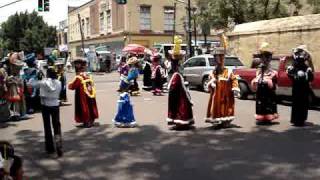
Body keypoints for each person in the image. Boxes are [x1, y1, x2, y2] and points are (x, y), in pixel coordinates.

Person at [205, 34, 240, 127]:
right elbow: (210, 82)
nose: (216, 61)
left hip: (226, 95)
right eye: (215, 58)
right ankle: (216, 119)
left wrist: (235, 88)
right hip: (216, 95)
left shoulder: (228, 71)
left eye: (218, 58)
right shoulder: (213, 72)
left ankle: (226, 120)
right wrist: (211, 83)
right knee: (216, 105)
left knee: (226, 106)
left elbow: (234, 79)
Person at [31, 67, 63, 157]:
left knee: (47, 127)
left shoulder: (44, 82)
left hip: (45, 106)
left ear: (48, 74)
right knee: (56, 126)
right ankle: (59, 145)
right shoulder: (59, 82)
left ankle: (50, 148)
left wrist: (38, 77)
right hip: (55, 105)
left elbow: (32, 84)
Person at [167, 36, 194, 129]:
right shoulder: (176, 65)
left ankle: (181, 122)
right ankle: (183, 121)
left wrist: (170, 87)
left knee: (180, 104)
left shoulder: (175, 65)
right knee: (182, 103)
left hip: (178, 86)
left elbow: (176, 76)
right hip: (180, 86)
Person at [251, 42, 278, 125]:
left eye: (267, 56)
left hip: (268, 92)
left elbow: (275, 84)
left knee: (269, 102)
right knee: (260, 102)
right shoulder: (259, 69)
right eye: (263, 57)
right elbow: (257, 77)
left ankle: (268, 116)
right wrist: (255, 82)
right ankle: (261, 116)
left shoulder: (272, 71)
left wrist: (269, 81)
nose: (265, 59)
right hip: (261, 92)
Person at [287, 45, 314, 126]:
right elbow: (290, 75)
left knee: (303, 103)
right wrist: (293, 74)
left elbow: (311, 78)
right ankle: (296, 120)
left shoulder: (306, 67)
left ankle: (301, 120)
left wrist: (308, 74)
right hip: (297, 87)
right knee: (296, 103)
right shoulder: (294, 65)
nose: (300, 55)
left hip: (304, 88)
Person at [68, 58, 99, 128]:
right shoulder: (88, 75)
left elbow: (72, 86)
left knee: (84, 107)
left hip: (82, 96)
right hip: (90, 94)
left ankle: (87, 121)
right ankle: (91, 120)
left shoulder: (79, 77)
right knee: (90, 106)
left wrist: (69, 84)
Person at [6, 53, 29, 121]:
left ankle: (18, 114)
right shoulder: (11, 69)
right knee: (15, 100)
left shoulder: (15, 71)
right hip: (14, 86)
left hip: (16, 85)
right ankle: (15, 114)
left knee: (18, 100)